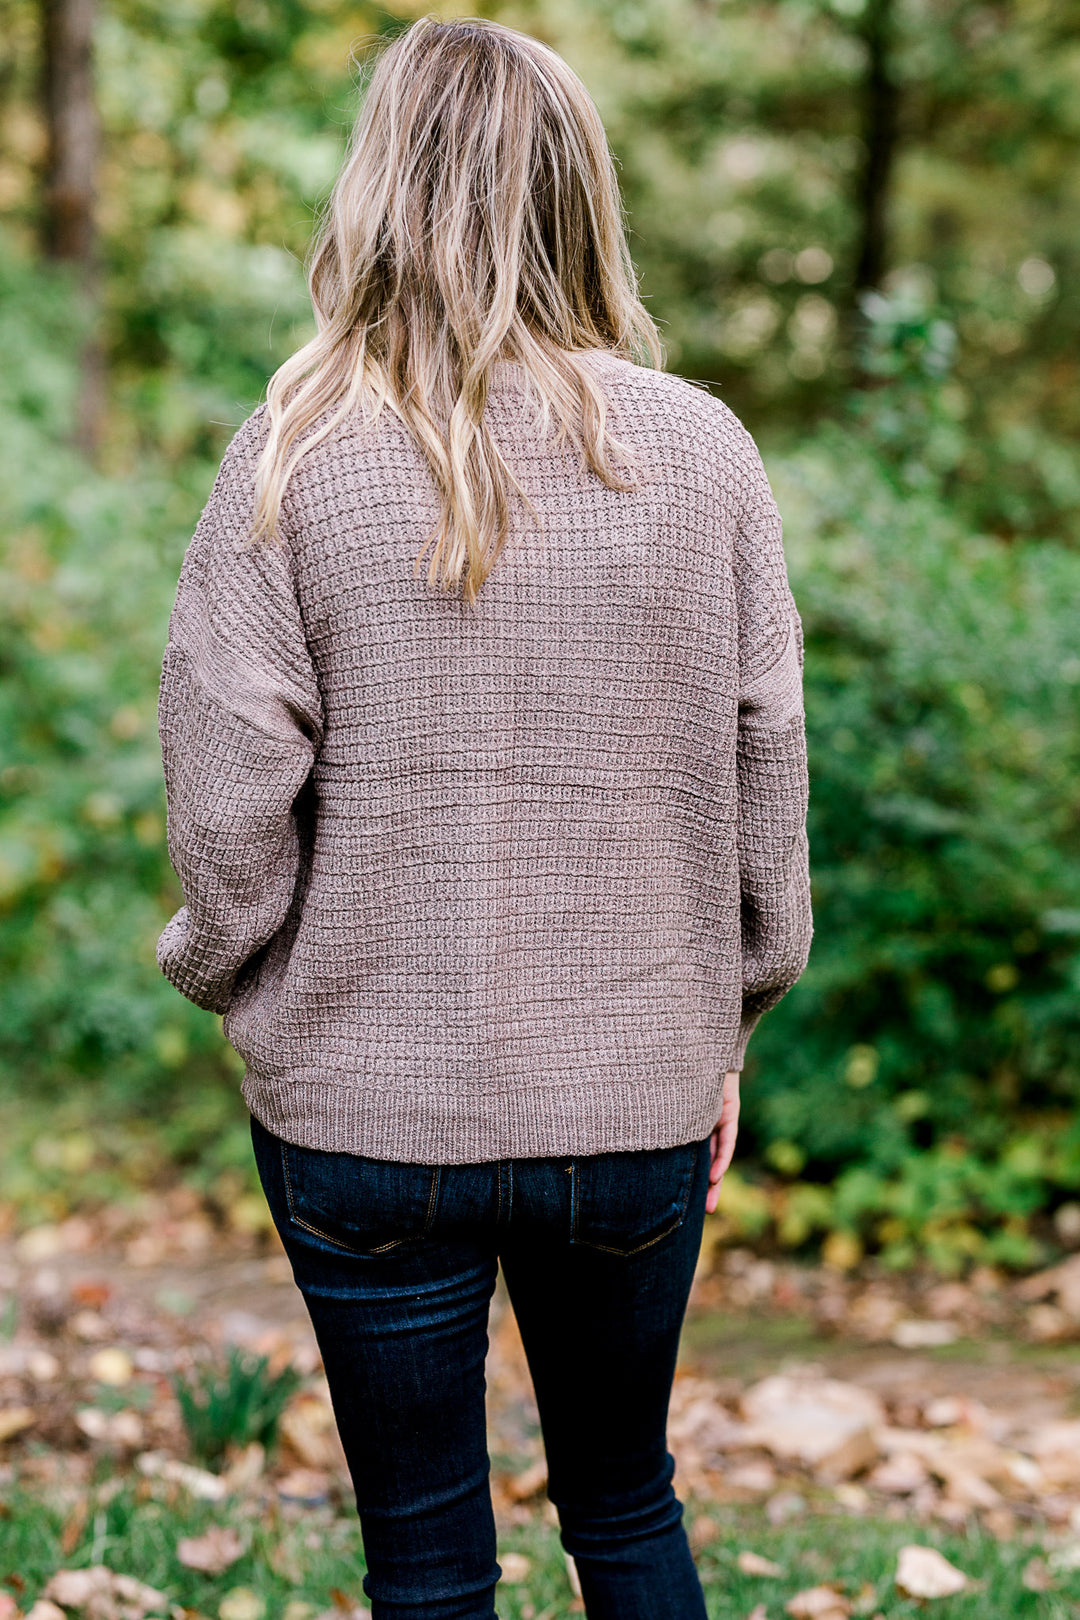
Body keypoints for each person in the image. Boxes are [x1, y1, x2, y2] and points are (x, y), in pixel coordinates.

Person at [155, 15, 812, 1619]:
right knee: (628, 1504)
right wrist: (728, 1018)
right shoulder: (702, 454)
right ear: (579, 190)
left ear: (378, 188)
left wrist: (231, 980)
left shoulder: (293, 456)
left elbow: (229, 809)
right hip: (635, 1103)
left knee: (427, 1557)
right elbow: (768, 770)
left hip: (361, 1114)